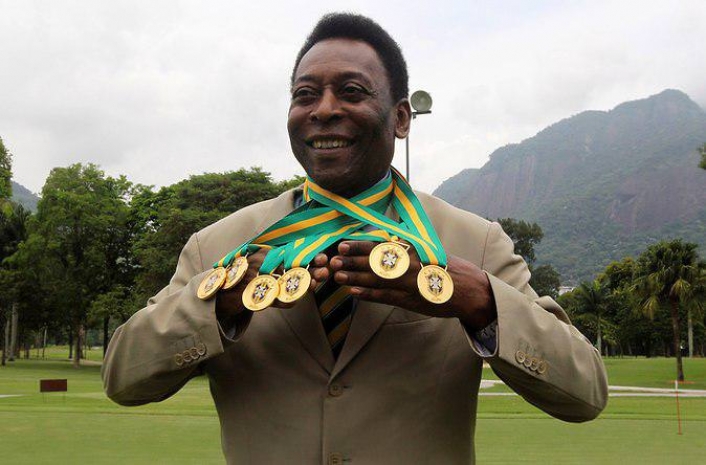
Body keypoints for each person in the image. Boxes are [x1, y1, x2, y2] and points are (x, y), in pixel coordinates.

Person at [102, 13, 607, 465]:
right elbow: (123, 378)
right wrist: (218, 304)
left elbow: (585, 391)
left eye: (351, 91)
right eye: (305, 95)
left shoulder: (475, 243)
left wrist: (478, 301)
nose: (323, 110)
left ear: (401, 118)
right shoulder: (220, 248)